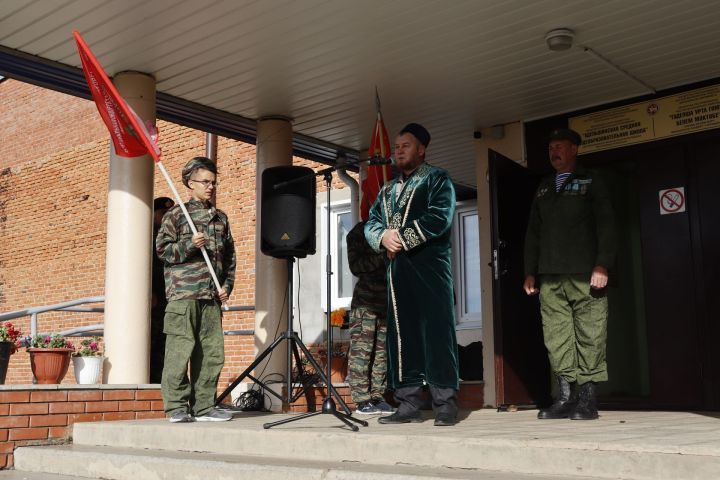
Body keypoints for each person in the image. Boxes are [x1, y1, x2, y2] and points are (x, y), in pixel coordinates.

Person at [365, 123, 460, 427]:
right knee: (402, 337)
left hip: (431, 270)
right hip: (398, 275)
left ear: (421, 149)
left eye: (406, 145)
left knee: (436, 335)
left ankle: (444, 403)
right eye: (396, 146)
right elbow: (371, 222)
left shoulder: (437, 178)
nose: (399, 150)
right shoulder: (387, 189)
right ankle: (408, 403)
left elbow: (439, 218)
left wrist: (401, 238)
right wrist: (382, 237)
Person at [523, 128, 616, 421]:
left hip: (584, 273)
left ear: (574, 149)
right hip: (550, 275)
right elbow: (533, 234)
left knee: (591, 332)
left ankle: (587, 398)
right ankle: (564, 397)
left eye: (560, 146)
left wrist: (602, 264)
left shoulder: (592, 181)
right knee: (556, 336)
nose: (554, 152)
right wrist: (530, 272)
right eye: (551, 147)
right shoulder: (544, 187)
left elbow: (606, 225)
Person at [156, 156, 236, 423]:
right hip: (183, 296)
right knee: (180, 352)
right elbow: (164, 252)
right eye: (205, 181)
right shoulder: (177, 216)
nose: (210, 186)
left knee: (212, 354)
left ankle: (204, 406)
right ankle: (176, 406)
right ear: (190, 183)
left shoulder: (220, 219)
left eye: (213, 182)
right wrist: (190, 244)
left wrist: (225, 286)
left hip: (210, 297)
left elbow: (230, 259)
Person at [346, 220, 393, 416]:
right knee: (362, 353)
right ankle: (362, 400)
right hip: (365, 303)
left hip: (386, 302)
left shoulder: (393, 228)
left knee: (381, 355)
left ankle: (377, 397)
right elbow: (356, 266)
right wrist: (384, 255)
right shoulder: (360, 232)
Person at [150, 196, 175, 384]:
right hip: (154, 297)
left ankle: (162, 380)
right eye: (162, 213)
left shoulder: (170, 237)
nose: (166, 217)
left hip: (169, 296)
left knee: (167, 342)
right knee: (152, 340)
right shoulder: (147, 235)